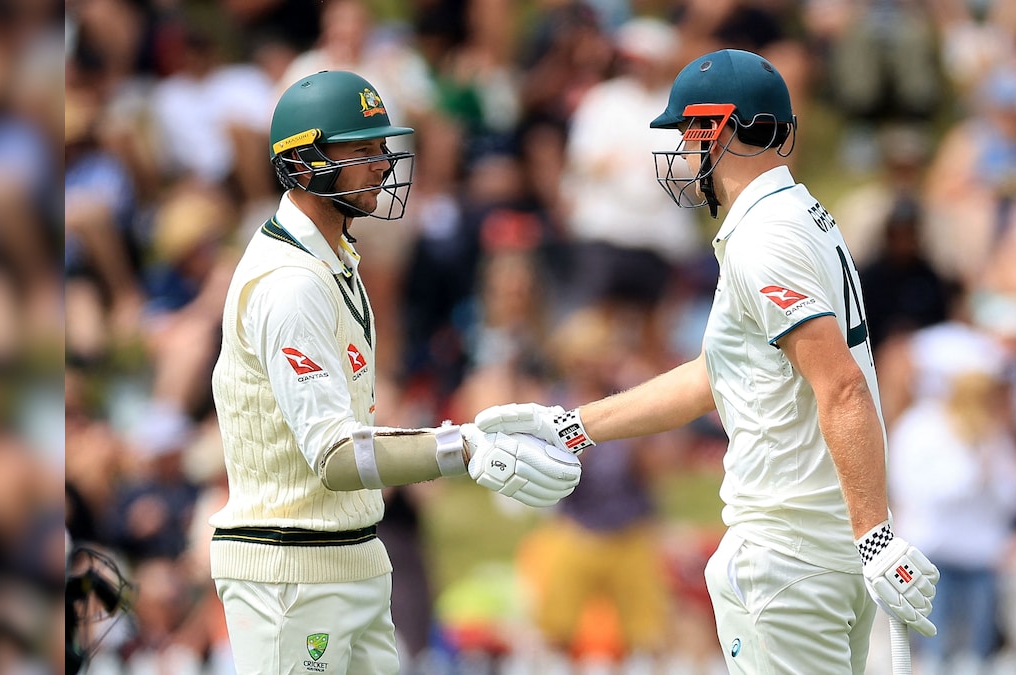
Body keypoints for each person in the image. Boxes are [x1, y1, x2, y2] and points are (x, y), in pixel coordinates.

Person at [477, 49, 939, 673]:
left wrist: (875, 534)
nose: (677, 154)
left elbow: (843, 387)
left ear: (715, 129)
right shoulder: (797, 217)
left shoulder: (764, 239)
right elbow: (714, 375)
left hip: (786, 556)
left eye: (683, 133)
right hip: (816, 555)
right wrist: (573, 426)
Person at [207, 70, 581, 675]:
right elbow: (333, 457)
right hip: (290, 570)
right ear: (303, 164)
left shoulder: (337, 258)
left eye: (382, 147)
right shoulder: (291, 284)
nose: (382, 164)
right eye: (360, 149)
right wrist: (463, 447)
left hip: (353, 555)